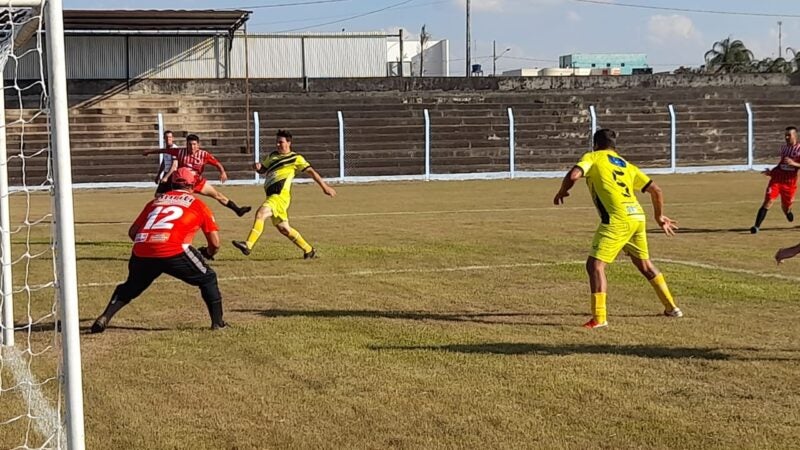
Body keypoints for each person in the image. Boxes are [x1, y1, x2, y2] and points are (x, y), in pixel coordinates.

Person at [553, 128, 683, 329]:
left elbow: (574, 175)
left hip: (618, 219)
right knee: (645, 266)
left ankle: (599, 318)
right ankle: (672, 308)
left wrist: (562, 191)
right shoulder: (626, 165)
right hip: (637, 216)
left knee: (595, 266)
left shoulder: (593, 157)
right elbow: (656, 190)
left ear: (595, 144)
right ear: (615, 146)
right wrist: (659, 217)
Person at [90, 167, 226, 333]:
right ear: (194, 185)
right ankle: (218, 324)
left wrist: (150, 245)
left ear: (171, 183)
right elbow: (215, 243)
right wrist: (209, 253)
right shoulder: (198, 205)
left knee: (131, 286)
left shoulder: (155, 201)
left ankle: (105, 316)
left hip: (141, 249)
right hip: (173, 249)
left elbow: (133, 232)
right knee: (208, 278)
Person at [232, 129, 336, 258]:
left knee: (261, 213)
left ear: (289, 143)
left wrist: (325, 187)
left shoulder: (296, 158)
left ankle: (248, 245)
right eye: (276, 142)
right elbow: (263, 170)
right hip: (271, 195)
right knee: (284, 229)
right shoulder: (272, 156)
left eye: (280, 142)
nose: (277, 145)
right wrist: (257, 167)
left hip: (280, 196)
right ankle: (309, 250)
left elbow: (312, 172)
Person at [143, 134, 252, 217]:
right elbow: (164, 150)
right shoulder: (180, 152)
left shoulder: (204, 155)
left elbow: (217, 163)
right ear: (186, 145)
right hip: (183, 184)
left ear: (198, 145)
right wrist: (149, 151)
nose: (192, 147)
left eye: (194, 144)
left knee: (217, 195)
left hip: (197, 182)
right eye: (190, 144)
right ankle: (157, 216)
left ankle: (238, 210)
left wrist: (222, 172)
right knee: (169, 200)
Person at [750, 126, 800, 234]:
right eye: (785, 135)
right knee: (768, 201)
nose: (786, 137)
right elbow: (781, 164)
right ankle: (756, 227)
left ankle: (788, 212)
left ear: (795, 136)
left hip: (790, 182)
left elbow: (793, 164)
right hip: (777, 179)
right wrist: (771, 172)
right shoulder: (784, 148)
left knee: (785, 206)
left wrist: (794, 163)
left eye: (789, 135)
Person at [154, 130, 179, 197]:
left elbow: (174, 165)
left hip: (173, 175)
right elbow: (164, 162)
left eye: (170, 137)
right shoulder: (166, 149)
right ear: (164, 138)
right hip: (166, 173)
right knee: (158, 195)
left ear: (173, 138)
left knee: (171, 195)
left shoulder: (174, 149)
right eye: (167, 137)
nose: (168, 139)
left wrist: (166, 177)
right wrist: (158, 175)